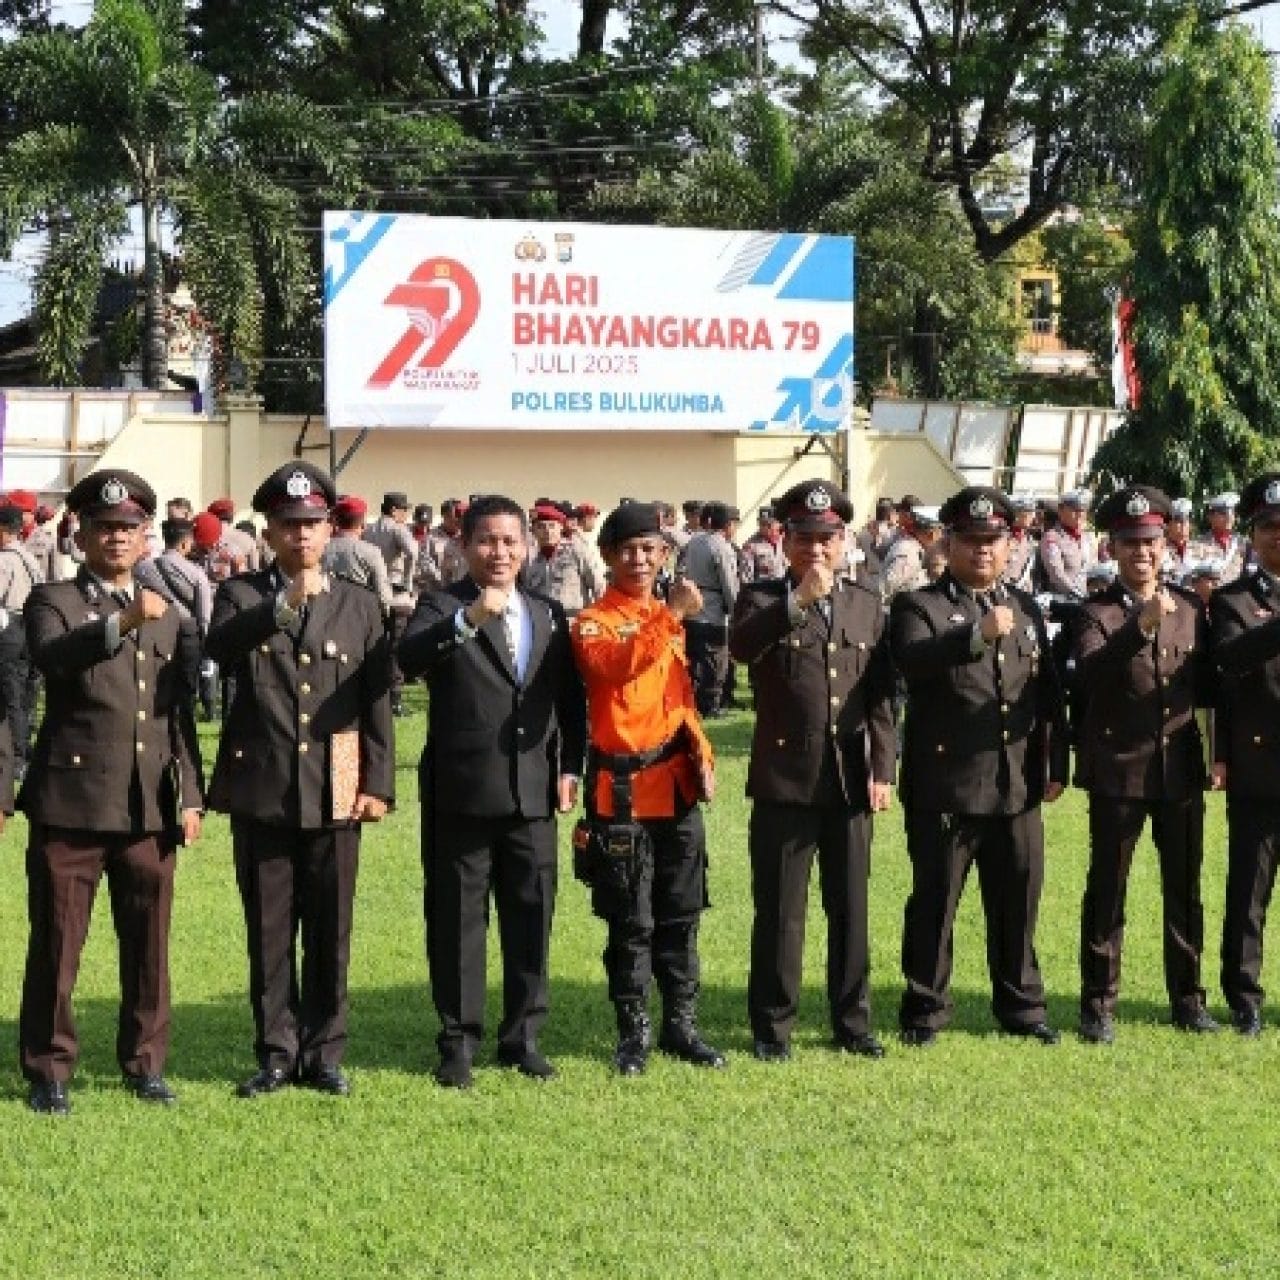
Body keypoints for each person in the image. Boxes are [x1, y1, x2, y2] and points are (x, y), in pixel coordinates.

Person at [204, 461, 394, 1099]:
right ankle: (276, 1052)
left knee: (331, 925)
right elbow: (220, 648)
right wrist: (282, 606)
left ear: (329, 529)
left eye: (313, 524)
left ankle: (325, 1052)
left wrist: (378, 782)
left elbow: (376, 702)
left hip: (338, 775)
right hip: (263, 779)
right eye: (290, 525)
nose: (302, 536)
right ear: (269, 529)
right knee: (269, 927)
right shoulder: (243, 594)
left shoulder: (360, 603)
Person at [17, 469, 203, 1114]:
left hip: (148, 801)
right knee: (59, 943)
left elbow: (175, 713)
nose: (117, 538)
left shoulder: (168, 613)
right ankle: (49, 1069)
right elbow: (53, 657)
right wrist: (121, 621)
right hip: (71, 802)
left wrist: (191, 793)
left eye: (128, 527)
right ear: (81, 533)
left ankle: (145, 1062)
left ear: (146, 534)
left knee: (150, 942)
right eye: (104, 527)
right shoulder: (54, 598)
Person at [399, 494, 586, 1089]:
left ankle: (523, 1036)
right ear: (464, 546)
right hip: (462, 792)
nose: (499, 551)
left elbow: (569, 701)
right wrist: (469, 619)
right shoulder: (441, 605)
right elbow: (406, 661)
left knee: (532, 915)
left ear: (526, 546)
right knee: (458, 920)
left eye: (510, 540)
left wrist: (571, 766)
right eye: (486, 540)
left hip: (534, 793)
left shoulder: (549, 612)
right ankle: (458, 1041)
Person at [890, 486, 1068, 1047]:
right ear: (949, 541)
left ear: (1010, 543)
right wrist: (973, 635)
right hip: (948, 784)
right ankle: (926, 1007)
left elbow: (1045, 692)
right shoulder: (920, 605)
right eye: (971, 541)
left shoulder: (1027, 605)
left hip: (1016, 783)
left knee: (1019, 899)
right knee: (936, 902)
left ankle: (1022, 1005)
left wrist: (1055, 760)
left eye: (993, 540)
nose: (983, 551)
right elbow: (911, 662)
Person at [730, 480, 895, 1062]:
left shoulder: (866, 603)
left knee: (849, 907)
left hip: (850, 779)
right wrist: (796, 602)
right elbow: (742, 648)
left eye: (827, 538)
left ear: (843, 539)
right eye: (804, 538)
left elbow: (879, 695)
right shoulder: (760, 598)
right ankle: (773, 1027)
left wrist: (883, 768)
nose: (816, 549)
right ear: (786, 541)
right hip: (785, 777)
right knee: (781, 911)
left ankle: (853, 1022)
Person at [571, 501, 726, 1075]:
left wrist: (705, 753)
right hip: (623, 793)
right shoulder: (594, 620)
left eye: (651, 549)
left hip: (677, 787)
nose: (640, 559)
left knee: (682, 914)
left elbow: (680, 700)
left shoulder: (669, 618)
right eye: (628, 550)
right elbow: (615, 667)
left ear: (664, 555)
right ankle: (632, 1033)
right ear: (608, 556)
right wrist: (670, 619)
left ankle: (681, 1026)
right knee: (630, 921)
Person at [1073, 485, 1218, 1044]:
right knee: (1108, 889)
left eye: (1152, 542)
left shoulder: (1190, 608)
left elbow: (1207, 687)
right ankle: (1098, 1004)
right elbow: (1084, 678)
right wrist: (1141, 626)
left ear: (1166, 544)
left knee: (1184, 889)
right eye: (1131, 543)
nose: (1143, 553)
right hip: (1118, 770)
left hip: (1179, 770)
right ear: (1112, 548)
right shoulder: (1096, 611)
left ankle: (1187, 998)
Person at [1209, 474, 1280, 1036]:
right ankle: (1245, 997)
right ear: (1252, 536)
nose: (1279, 536)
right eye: (1270, 528)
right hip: (1262, 766)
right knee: (1249, 891)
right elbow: (1228, 663)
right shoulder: (1235, 601)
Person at [680, 501, 740, 718]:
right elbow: (729, 583)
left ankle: (692, 701)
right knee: (715, 660)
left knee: (694, 658)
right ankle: (710, 703)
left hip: (691, 606)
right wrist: (736, 613)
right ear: (727, 525)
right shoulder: (721, 547)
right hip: (713, 608)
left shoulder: (694, 542)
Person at [363, 491, 419, 716]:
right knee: (396, 646)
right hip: (396, 593)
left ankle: (374, 690)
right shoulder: (397, 529)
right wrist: (408, 579)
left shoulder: (369, 530)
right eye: (404, 510)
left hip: (374, 592)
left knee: (376, 644)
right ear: (395, 511)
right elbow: (413, 552)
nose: (406, 515)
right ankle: (394, 699)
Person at [0, 503, 43, 782]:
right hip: (32, 626)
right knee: (27, 694)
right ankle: (25, 750)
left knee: (10, 695)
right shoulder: (29, 557)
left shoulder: (4, 560)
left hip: (10, 627)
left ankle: (15, 757)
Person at [524, 501, 604, 616]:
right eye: (541, 527)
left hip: (573, 620)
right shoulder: (529, 560)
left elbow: (598, 586)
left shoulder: (577, 551)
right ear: (534, 531)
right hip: (542, 623)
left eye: (552, 526)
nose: (547, 531)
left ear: (561, 527)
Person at [323, 495, 394, 616]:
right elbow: (383, 595)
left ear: (336, 521)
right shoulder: (371, 552)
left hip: (325, 614)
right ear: (362, 523)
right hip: (359, 616)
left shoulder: (320, 549)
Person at [1038, 490, 1097, 599]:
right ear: (1061, 511)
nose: (1080, 514)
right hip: (1063, 601)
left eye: (1083, 510)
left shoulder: (1088, 538)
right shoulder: (1052, 538)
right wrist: (1078, 595)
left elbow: (1093, 569)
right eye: (1075, 510)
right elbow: (1057, 575)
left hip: (1088, 600)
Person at [881, 504, 942, 600]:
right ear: (932, 535)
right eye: (941, 533)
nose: (941, 539)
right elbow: (883, 591)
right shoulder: (909, 554)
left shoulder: (916, 550)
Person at [208, 498, 260, 572]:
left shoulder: (204, 537)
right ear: (232, 516)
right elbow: (254, 569)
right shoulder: (246, 538)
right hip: (240, 582)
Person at [740, 506, 787, 583]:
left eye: (769, 525)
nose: (765, 528)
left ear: (778, 524)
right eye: (762, 524)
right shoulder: (750, 546)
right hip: (763, 591)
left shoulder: (784, 540)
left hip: (784, 589)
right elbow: (746, 579)